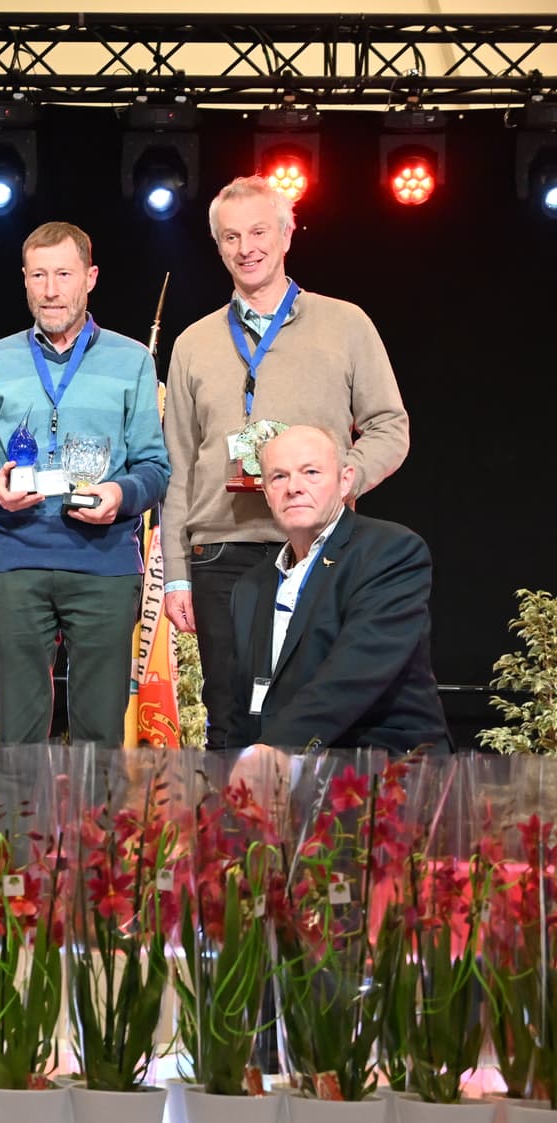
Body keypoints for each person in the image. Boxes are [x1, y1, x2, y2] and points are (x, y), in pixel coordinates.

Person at [163, 175, 410, 748]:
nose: (246, 248)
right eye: (231, 237)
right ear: (218, 246)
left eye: (258, 232)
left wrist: (341, 480)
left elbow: (390, 426)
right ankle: (231, 812)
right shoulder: (193, 343)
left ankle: (316, 814)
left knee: (318, 714)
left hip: (318, 548)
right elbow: (178, 465)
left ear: (287, 234)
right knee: (228, 718)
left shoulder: (346, 324)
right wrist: (175, 572)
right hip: (220, 552)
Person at [0, 222, 170, 745]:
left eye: (63, 275)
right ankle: (18, 806)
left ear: (90, 278)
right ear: (24, 280)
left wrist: (120, 495)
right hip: (16, 563)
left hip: (105, 566)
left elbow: (154, 467)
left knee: (101, 737)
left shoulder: (132, 360)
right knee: (17, 738)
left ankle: (96, 809)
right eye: (38, 276)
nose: (50, 290)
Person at [229, 425, 448, 753]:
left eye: (311, 472)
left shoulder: (389, 551)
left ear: (345, 481)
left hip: (383, 767)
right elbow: (238, 708)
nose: (294, 488)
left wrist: (276, 750)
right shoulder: (250, 587)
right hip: (279, 772)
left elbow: (356, 671)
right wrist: (230, 771)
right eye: (279, 477)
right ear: (265, 493)